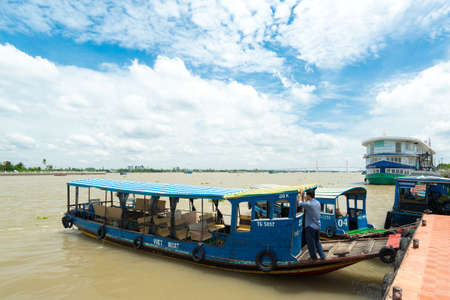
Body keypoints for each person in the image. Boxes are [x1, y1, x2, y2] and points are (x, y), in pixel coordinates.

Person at [298, 189, 326, 260]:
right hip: (318, 226)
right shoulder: (317, 203)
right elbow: (307, 203)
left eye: (306, 195)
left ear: (308, 195)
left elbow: (299, 203)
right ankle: (322, 256)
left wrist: (301, 194)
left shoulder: (309, 204)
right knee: (317, 242)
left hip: (310, 227)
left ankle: (314, 259)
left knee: (311, 244)